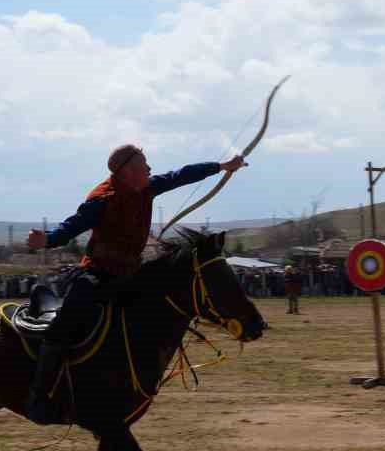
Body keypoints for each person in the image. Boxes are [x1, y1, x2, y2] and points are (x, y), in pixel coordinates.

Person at [21, 144, 246, 424]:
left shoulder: (148, 187)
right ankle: (40, 397)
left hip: (130, 273)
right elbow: (72, 226)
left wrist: (222, 166)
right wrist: (48, 239)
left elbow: (181, 175)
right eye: (145, 165)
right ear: (128, 172)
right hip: (97, 274)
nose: (151, 170)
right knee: (64, 325)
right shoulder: (103, 199)